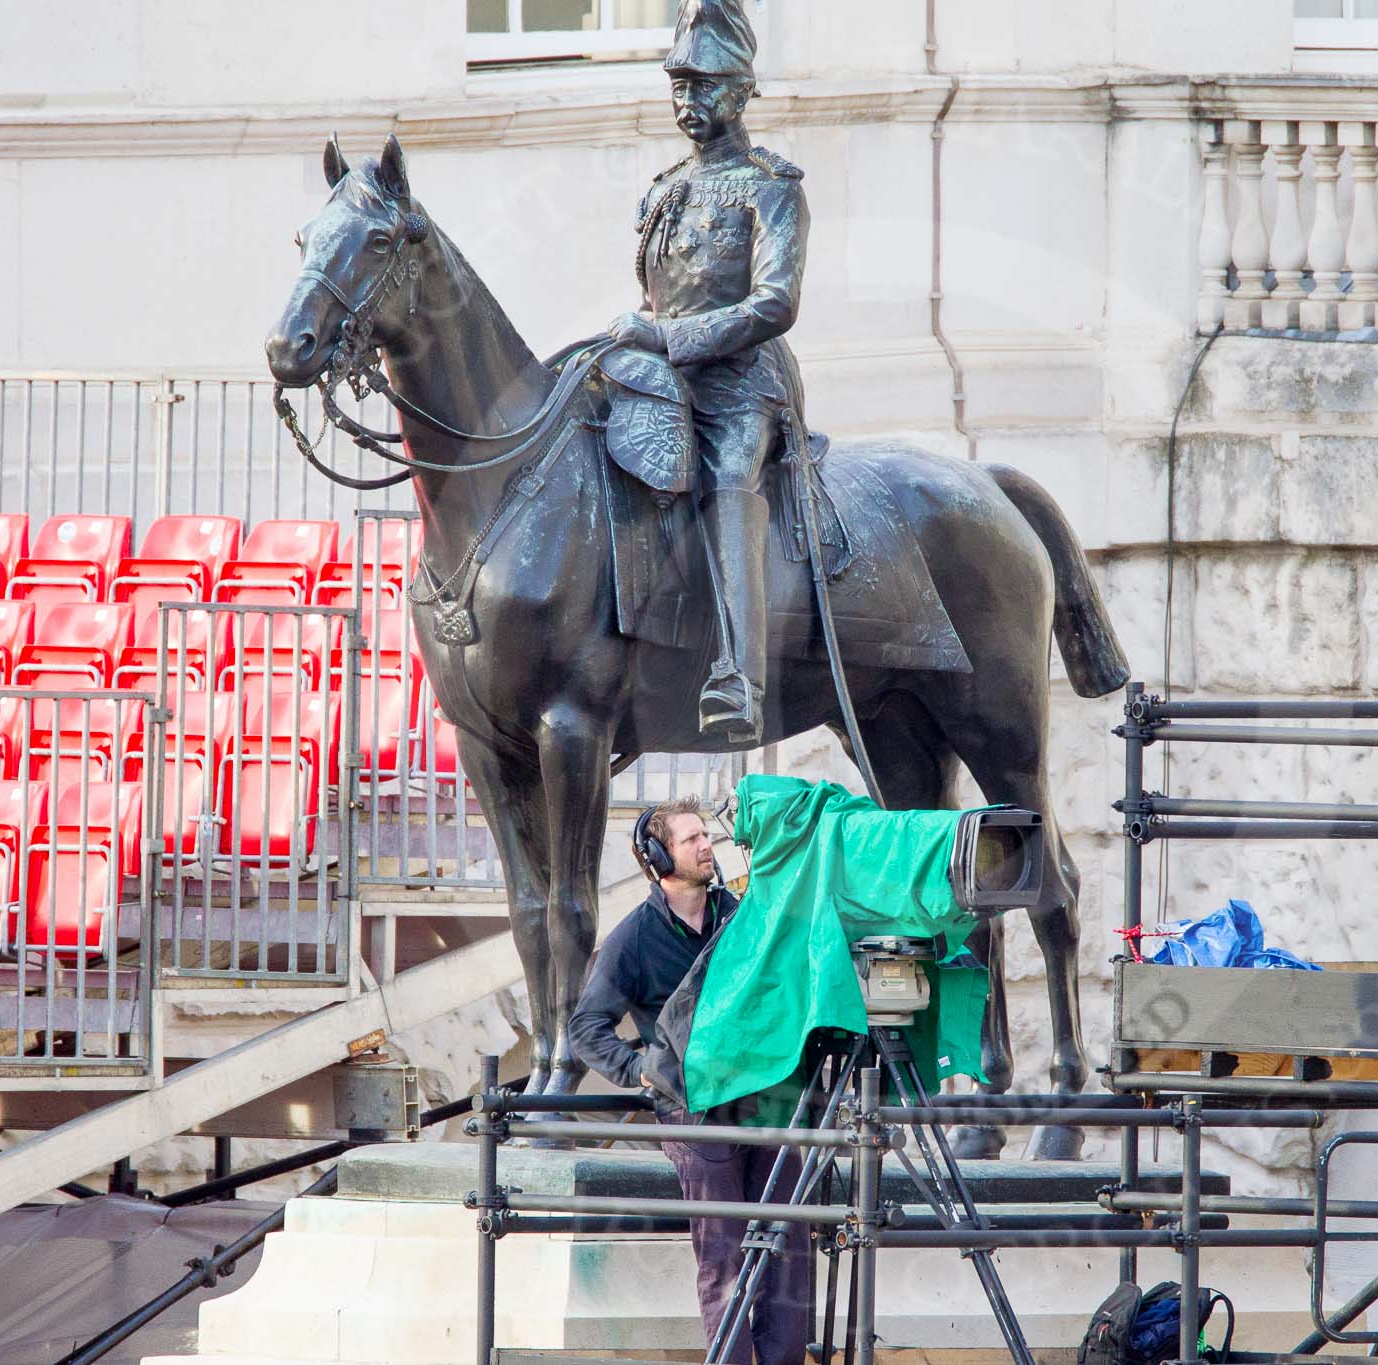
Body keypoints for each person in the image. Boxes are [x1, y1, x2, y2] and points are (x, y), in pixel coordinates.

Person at [607, 0, 809, 745]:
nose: (691, 103)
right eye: (681, 87)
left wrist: (667, 336)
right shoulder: (664, 188)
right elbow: (654, 292)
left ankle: (737, 677)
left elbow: (775, 303)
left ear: (744, 88)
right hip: (660, 372)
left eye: (707, 86)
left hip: (740, 384)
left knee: (729, 473)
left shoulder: (771, 186)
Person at [566, 796, 813, 1365]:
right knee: (721, 1255)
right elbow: (586, 1025)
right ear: (659, 857)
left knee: (789, 1245)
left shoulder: (743, 916)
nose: (707, 846)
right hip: (694, 1112)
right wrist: (641, 1072)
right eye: (690, 839)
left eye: (706, 835)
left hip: (764, 1100)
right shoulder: (634, 936)